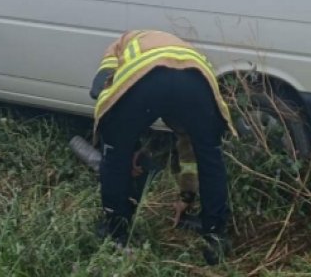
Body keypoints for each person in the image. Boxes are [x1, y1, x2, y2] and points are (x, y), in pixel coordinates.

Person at [89, 30, 236, 265]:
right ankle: (215, 235)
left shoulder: (124, 41)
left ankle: (116, 229)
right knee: (210, 156)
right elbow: (190, 152)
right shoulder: (187, 51)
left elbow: (103, 86)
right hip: (195, 84)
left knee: (115, 155)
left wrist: (124, 148)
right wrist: (187, 195)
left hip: (146, 80)